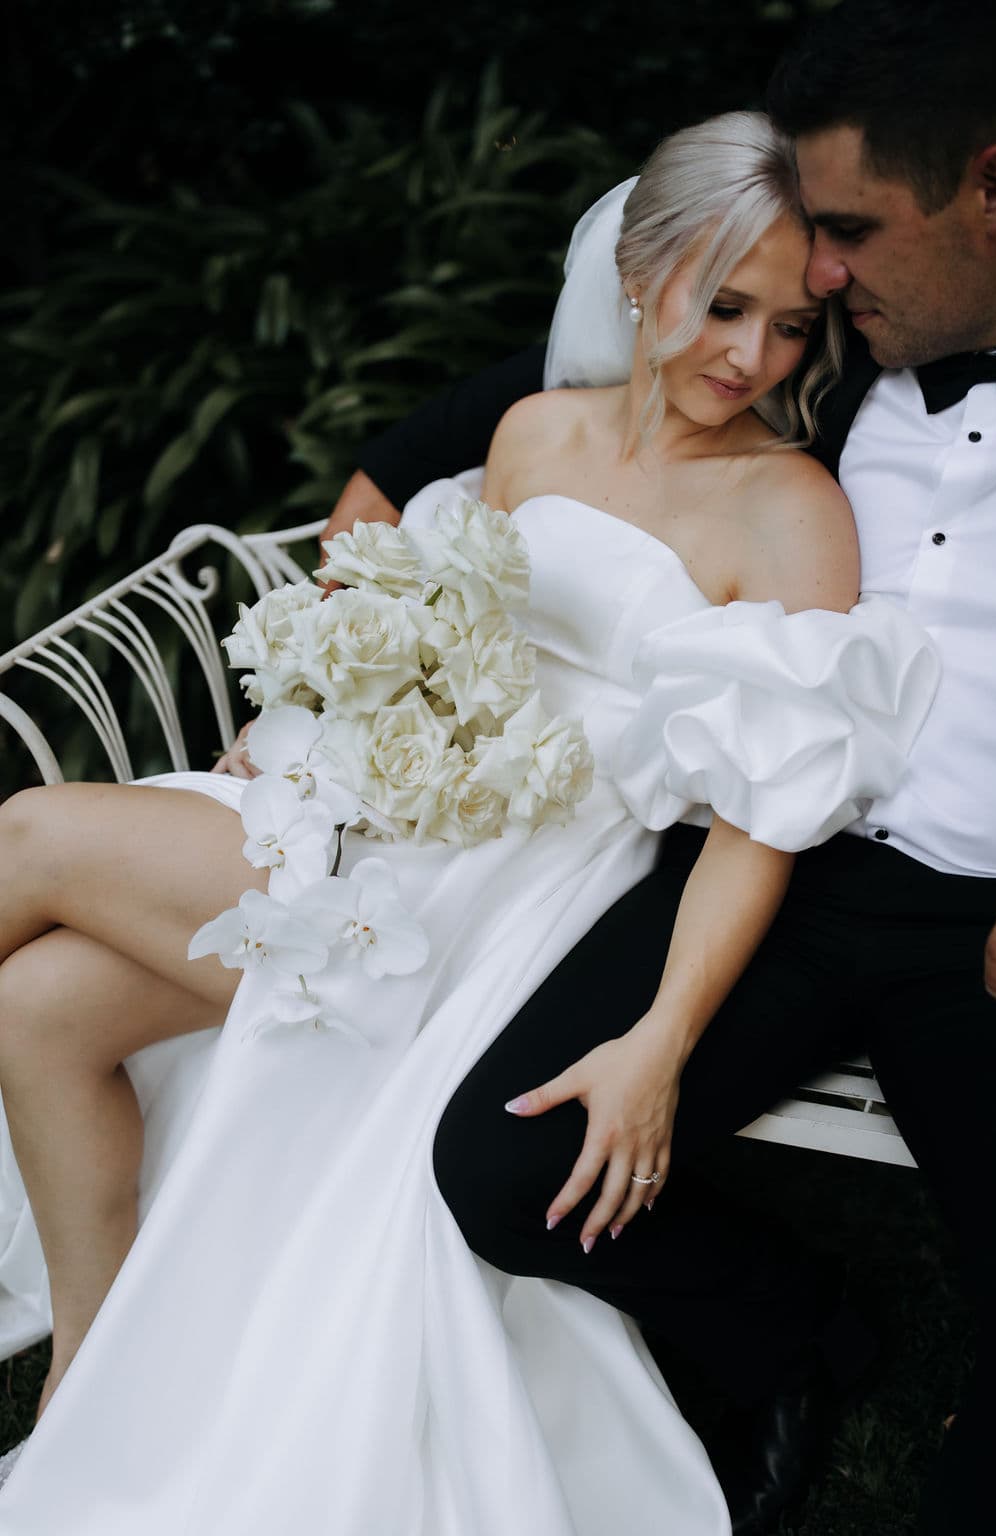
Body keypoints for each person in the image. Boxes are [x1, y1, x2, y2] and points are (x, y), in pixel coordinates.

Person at [0, 112, 936, 1533]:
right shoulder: (533, 433)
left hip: (522, 890)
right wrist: (314, 711)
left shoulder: (786, 508)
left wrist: (660, 1037)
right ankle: (94, 1365)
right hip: (383, 814)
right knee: (42, 1006)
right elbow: (437, 632)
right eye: (722, 304)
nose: (751, 358)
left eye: (792, 329)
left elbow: (766, 811)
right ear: (639, 270)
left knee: (30, 838)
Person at [329, 4, 996, 1533]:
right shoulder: (824, 366)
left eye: (846, 237)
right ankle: (793, 1328)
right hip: (771, 858)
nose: (815, 289)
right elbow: (538, 403)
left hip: (982, 916)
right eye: (796, 268)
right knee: (509, 1170)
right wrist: (360, 589)